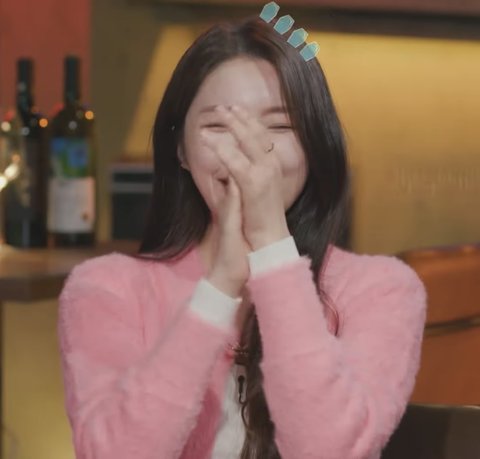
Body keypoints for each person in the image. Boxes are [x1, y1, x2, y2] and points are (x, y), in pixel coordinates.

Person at [57, 14, 427, 459]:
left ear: (314, 144)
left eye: (279, 127)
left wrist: (271, 247)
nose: (251, 152)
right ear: (181, 149)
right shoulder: (106, 288)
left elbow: (327, 450)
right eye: (219, 127)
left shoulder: (382, 290)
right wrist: (218, 289)